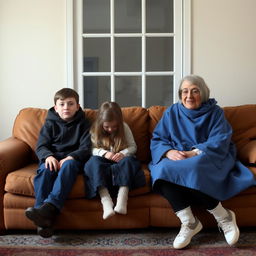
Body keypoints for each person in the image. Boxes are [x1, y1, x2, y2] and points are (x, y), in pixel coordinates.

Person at [149, 75, 256, 249]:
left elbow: (220, 139)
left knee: (195, 166)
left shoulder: (215, 112)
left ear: (203, 93)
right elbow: (158, 138)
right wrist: (168, 152)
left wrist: (195, 152)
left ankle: (224, 217)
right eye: (185, 91)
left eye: (194, 91)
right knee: (161, 170)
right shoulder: (172, 112)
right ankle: (189, 221)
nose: (189, 96)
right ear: (180, 94)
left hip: (208, 154)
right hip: (178, 155)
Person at [25, 88, 91, 238]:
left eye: (70, 104)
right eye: (62, 104)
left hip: (72, 160)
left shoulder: (85, 124)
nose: (66, 107)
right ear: (56, 107)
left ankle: (49, 208)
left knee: (68, 166)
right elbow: (41, 146)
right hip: (52, 158)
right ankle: (41, 219)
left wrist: (72, 156)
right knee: (45, 170)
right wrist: (48, 156)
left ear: (78, 106)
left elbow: (87, 147)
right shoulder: (49, 124)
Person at [84, 101, 146, 220]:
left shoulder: (125, 127)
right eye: (107, 127)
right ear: (101, 122)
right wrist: (104, 153)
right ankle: (106, 200)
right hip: (102, 160)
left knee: (130, 162)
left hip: (121, 160)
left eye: (114, 126)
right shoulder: (94, 130)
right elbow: (91, 149)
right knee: (92, 163)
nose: (111, 129)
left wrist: (123, 153)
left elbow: (133, 147)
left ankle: (122, 198)